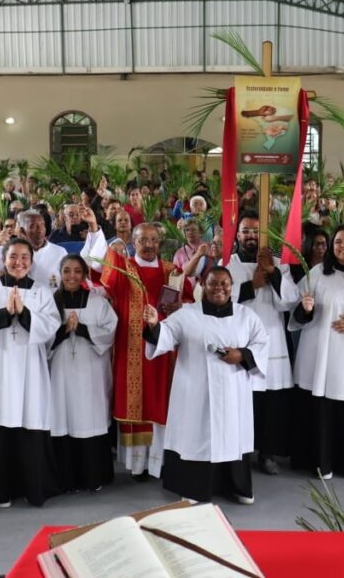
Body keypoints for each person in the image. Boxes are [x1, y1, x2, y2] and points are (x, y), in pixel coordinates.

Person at [142, 267, 269, 503]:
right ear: (203, 285)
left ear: (232, 286)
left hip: (233, 390)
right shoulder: (187, 314)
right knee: (197, 436)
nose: (218, 288)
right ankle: (195, 489)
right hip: (196, 390)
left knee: (232, 435)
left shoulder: (246, 316)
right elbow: (166, 335)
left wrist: (241, 354)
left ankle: (237, 486)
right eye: (212, 284)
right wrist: (153, 325)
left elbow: (262, 343)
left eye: (224, 284)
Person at [0, 237, 62, 508]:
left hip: (29, 366)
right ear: (3, 259)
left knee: (28, 420)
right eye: (13, 257)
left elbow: (52, 324)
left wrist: (25, 313)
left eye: (24, 258)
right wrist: (5, 314)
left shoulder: (41, 292)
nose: (18, 262)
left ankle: (32, 488)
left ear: (31, 262)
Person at [100, 222, 190, 479]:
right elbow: (104, 281)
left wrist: (178, 308)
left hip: (163, 349)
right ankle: (138, 466)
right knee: (135, 401)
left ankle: (159, 463)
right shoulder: (122, 269)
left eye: (153, 240)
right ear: (134, 243)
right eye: (142, 240)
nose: (148, 245)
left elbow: (188, 302)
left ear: (159, 243)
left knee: (161, 399)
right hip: (130, 348)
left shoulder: (173, 271)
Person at [289, 224, 344, 479]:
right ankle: (319, 461)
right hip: (319, 350)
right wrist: (305, 309)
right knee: (320, 405)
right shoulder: (317, 273)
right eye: (338, 242)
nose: (343, 246)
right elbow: (298, 307)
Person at [227, 213, 299, 475]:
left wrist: (273, 274)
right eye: (246, 231)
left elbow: (290, 301)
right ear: (237, 235)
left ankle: (267, 453)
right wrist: (251, 285)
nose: (251, 236)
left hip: (272, 341)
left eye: (256, 232)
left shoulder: (279, 264)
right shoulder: (229, 264)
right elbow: (221, 298)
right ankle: (243, 452)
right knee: (245, 401)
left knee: (272, 403)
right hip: (241, 339)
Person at [47, 255, 118, 492]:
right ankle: (66, 479)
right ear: (60, 273)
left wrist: (84, 329)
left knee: (90, 418)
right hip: (60, 372)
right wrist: (64, 331)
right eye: (67, 271)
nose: (72, 276)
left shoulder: (98, 302)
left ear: (85, 274)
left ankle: (92, 477)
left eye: (77, 271)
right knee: (63, 418)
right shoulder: (50, 302)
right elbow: (40, 336)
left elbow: (110, 330)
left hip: (91, 373)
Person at [0, 209, 67, 290]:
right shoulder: (9, 251)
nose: (40, 230)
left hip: (48, 307)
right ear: (22, 231)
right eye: (34, 226)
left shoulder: (60, 252)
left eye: (42, 225)